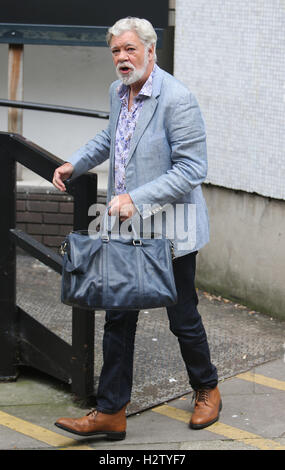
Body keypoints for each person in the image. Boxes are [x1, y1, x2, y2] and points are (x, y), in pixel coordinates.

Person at [53, 17, 221, 441]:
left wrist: (136, 198)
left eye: (129, 49)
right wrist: (76, 163)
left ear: (150, 50)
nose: (122, 59)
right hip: (126, 232)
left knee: (182, 318)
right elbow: (112, 136)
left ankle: (207, 388)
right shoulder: (117, 92)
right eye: (115, 51)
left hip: (171, 234)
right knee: (118, 318)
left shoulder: (177, 99)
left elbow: (192, 169)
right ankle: (111, 411)